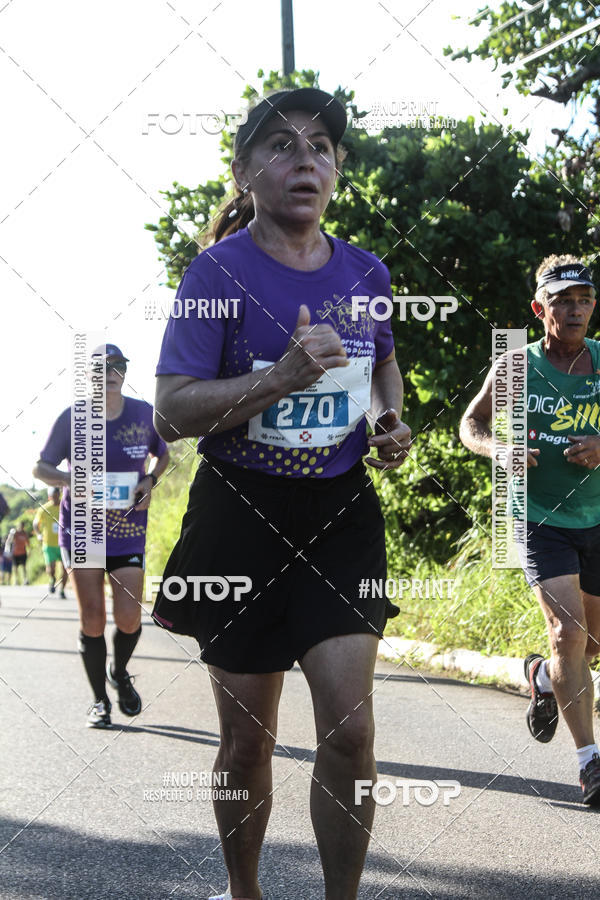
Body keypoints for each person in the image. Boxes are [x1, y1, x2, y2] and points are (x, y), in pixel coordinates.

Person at [152, 88, 411, 900]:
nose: (306, 157)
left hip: (339, 514)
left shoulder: (367, 271)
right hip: (241, 515)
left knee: (351, 728)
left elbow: (381, 366)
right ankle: (245, 890)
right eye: (281, 144)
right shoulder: (216, 273)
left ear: (336, 170)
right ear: (244, 172)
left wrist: (390, 419)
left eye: (321, 145)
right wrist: (279, 378)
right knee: (247, 743)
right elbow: (173, 406)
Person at [460, 254, 600, 806]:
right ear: (540, 308)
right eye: (562, 301)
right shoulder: (517, 366)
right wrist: (502, 449)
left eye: (584, 300)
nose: (575, 310)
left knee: (590, 642)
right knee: (569, 634)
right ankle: (591, 762)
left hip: (597, 516)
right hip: (539, 518)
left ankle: (543, 678)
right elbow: (472, 424)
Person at [33, 344, 170, 728]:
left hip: (127, 532)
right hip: (83, 531)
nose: (110, 372)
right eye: (101, 367)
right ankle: (99, 702)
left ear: (125, 372)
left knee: (128, 618)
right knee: (92, 618)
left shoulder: (144, 414)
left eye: (118, 365)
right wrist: (66, 479)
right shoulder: (73, 418)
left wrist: (150, 479)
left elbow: (164, 454)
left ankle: (120, 671)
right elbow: (40, 467)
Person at [33, 487, 68, 598]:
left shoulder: (66, 507)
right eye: (53, 497)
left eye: (58, 496)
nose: (56, 499)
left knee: (65, 568)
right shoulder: (44, 509)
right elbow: (35, 523)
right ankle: (52, 579)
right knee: (51, 568)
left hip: (64, 543)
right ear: (49, 497)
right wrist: (38, 534)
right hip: (49, 544)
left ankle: (62, 589)